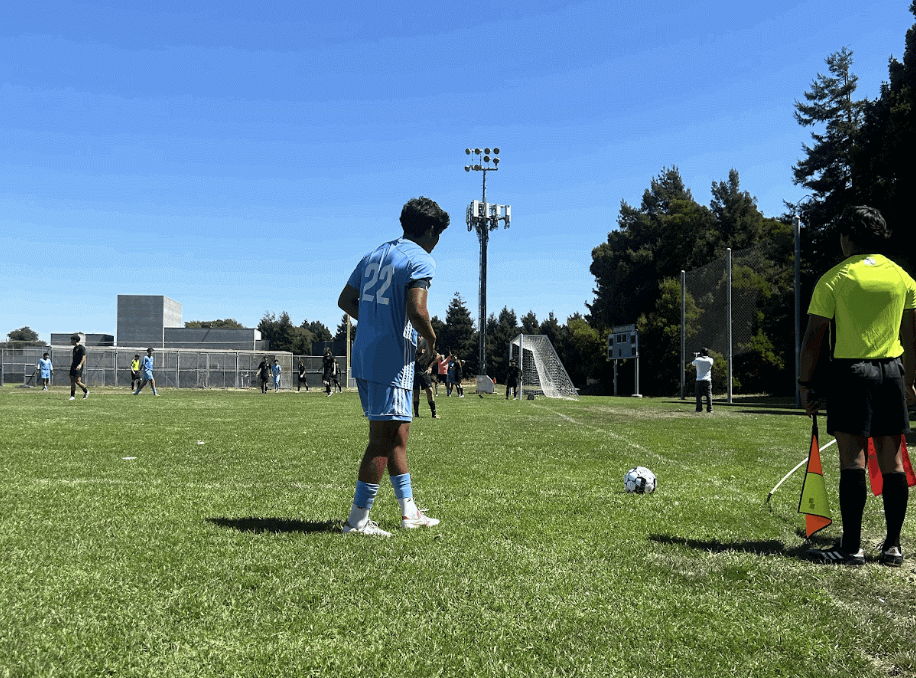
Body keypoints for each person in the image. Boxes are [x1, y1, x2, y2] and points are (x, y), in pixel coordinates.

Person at [799, 206, 916, 567]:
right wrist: (910, 381)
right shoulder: (903, 278)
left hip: (852, 374)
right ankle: (893, 547)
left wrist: (805, 384)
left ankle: (851, 548)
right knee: (893, 460)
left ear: (848, 238)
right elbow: (911, 338)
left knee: (853, 460)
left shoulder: (835, 278)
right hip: (893, 372)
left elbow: (814, 337)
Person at [336, 196, 449, 536]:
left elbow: (345, 300)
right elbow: (417, 310)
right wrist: (431, 341)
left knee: (397, 433)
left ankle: (409, 511)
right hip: (390, 358)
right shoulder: (421, 259)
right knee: (383, 439)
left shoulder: (374, 254)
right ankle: (357, 521)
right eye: (438, 233)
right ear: (430, 230)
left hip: (365, 354)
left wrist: (372, 321)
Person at [412, 343, 439, 419]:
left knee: (430, 391)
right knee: (416, 393)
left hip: (424, 373)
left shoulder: (428, 350)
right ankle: (416, 414)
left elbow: (438, 356)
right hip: (414, 373)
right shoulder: (413, 348)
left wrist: (430, 366)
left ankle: (434, 414)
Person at [691, 348, 714, 413]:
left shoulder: (698, 360)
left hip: (699, 379)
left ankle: (699, 408)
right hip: (708, 379)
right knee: (708, 395)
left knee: (699, 395)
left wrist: (696, 357)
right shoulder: (710, 360)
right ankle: (709, 409)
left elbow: (693, 364)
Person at [68, 334, 89, 400]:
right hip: (73, 366)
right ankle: (72, 396)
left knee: (77, 381)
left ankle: (86, 391)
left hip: (78, 366)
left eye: (72, 340)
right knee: (72, 380)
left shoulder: (81, 348)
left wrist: (80, 365)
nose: (71, 341)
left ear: (75, 340)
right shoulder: (74, 348)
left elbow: (84, 357)